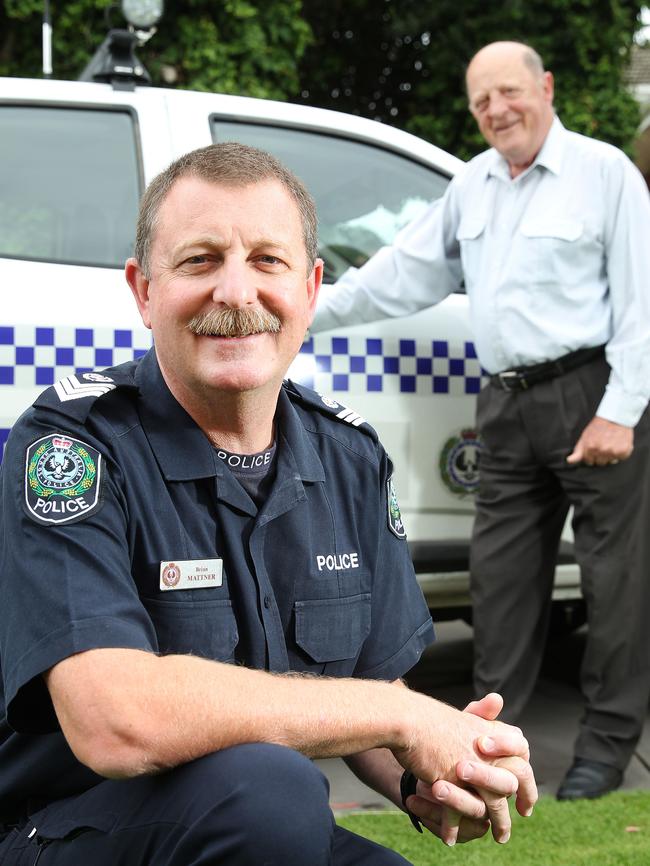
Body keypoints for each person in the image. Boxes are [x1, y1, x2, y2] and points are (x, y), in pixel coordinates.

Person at [0, 142, 536, 864]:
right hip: (62, 829)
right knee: (270, 790)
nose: (235, 292)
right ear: (144, 291)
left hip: (245, 831)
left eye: (267, 261)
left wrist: (436, 772)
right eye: (199, 261)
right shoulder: (72, 446)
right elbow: (112, 720)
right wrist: (401, 715)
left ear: (310, 289)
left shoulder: (349, 458)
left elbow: (372, 687)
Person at [311, 41, 650, 802]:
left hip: (590, 392)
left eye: (508, 92)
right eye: (481, 101)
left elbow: (643, 301)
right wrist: (307, 313)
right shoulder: (473, 185)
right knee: (499, 584)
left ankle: (604, 750)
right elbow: (404, 274)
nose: (496, 111)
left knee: (615, 583)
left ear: (546, 87)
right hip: (503, 402)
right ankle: (493, 744)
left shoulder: (605, 175)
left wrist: (621, 410)